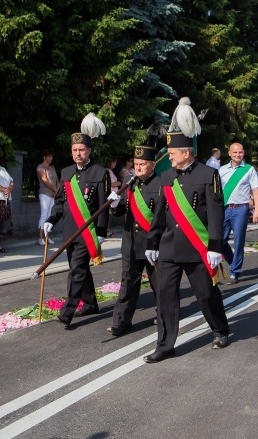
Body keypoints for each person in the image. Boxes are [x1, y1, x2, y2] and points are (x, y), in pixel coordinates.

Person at [144, 130, 230, 363]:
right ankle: (165, 345)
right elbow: (159, 213)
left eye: (172, 153)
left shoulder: (208, 174)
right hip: (169, 246)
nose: (170, 157)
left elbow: (215, 213)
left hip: (196, 247)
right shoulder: (166, 176)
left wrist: (215, 246)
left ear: (186, 153)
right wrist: (152, 242)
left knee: (206, 294)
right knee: (165, 297)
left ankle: (220, 330)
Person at [43, 133, 112, 326]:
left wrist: (101, 232)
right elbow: (60, 202)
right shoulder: (66, 173)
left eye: (81, 149)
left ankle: (67, 312)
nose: (78, 153)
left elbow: (103, 205)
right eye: (74, 150)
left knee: (77, 271)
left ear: (89, 150)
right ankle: (90, 304)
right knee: (80, 270)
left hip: (87, 233)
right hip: (69, 231)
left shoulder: (100, 173)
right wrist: (51, 219)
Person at [107, 144, 161, 337]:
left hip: (152, 243)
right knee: (128, 284)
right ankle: (121, 322)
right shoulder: (130, 182)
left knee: (159, 284)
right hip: (131, 242)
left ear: (152, 165)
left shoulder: (161, 184)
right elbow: (124, 207)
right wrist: (114, 204)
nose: (138, 168)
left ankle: (165, 315)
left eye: (142, 164)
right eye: (136, 164)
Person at [219, 142, 258, 284]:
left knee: (238, 240)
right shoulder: (222, 170)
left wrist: (257, 209)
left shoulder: (249, 169)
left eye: (240, 152)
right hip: (225, 208)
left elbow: (256, 190)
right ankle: (233, 261)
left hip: (241, 208)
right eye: (235, 152)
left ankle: (235, 271)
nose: (238, 155)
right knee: (220, 240)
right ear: (229, 153)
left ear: (244, 153)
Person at [36, 149, 59, 246]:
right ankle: (40, 238)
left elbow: (57, 180)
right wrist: (55, 189)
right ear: (44, 157)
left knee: (50, 215)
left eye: (52, 157)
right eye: (49, 156)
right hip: (45, 193)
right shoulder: (40, 167)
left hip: (52, 194)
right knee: (44, 215)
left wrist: (57, 190)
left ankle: (47, 237)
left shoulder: (52, 167)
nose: (51, 158)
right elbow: (45, 180)